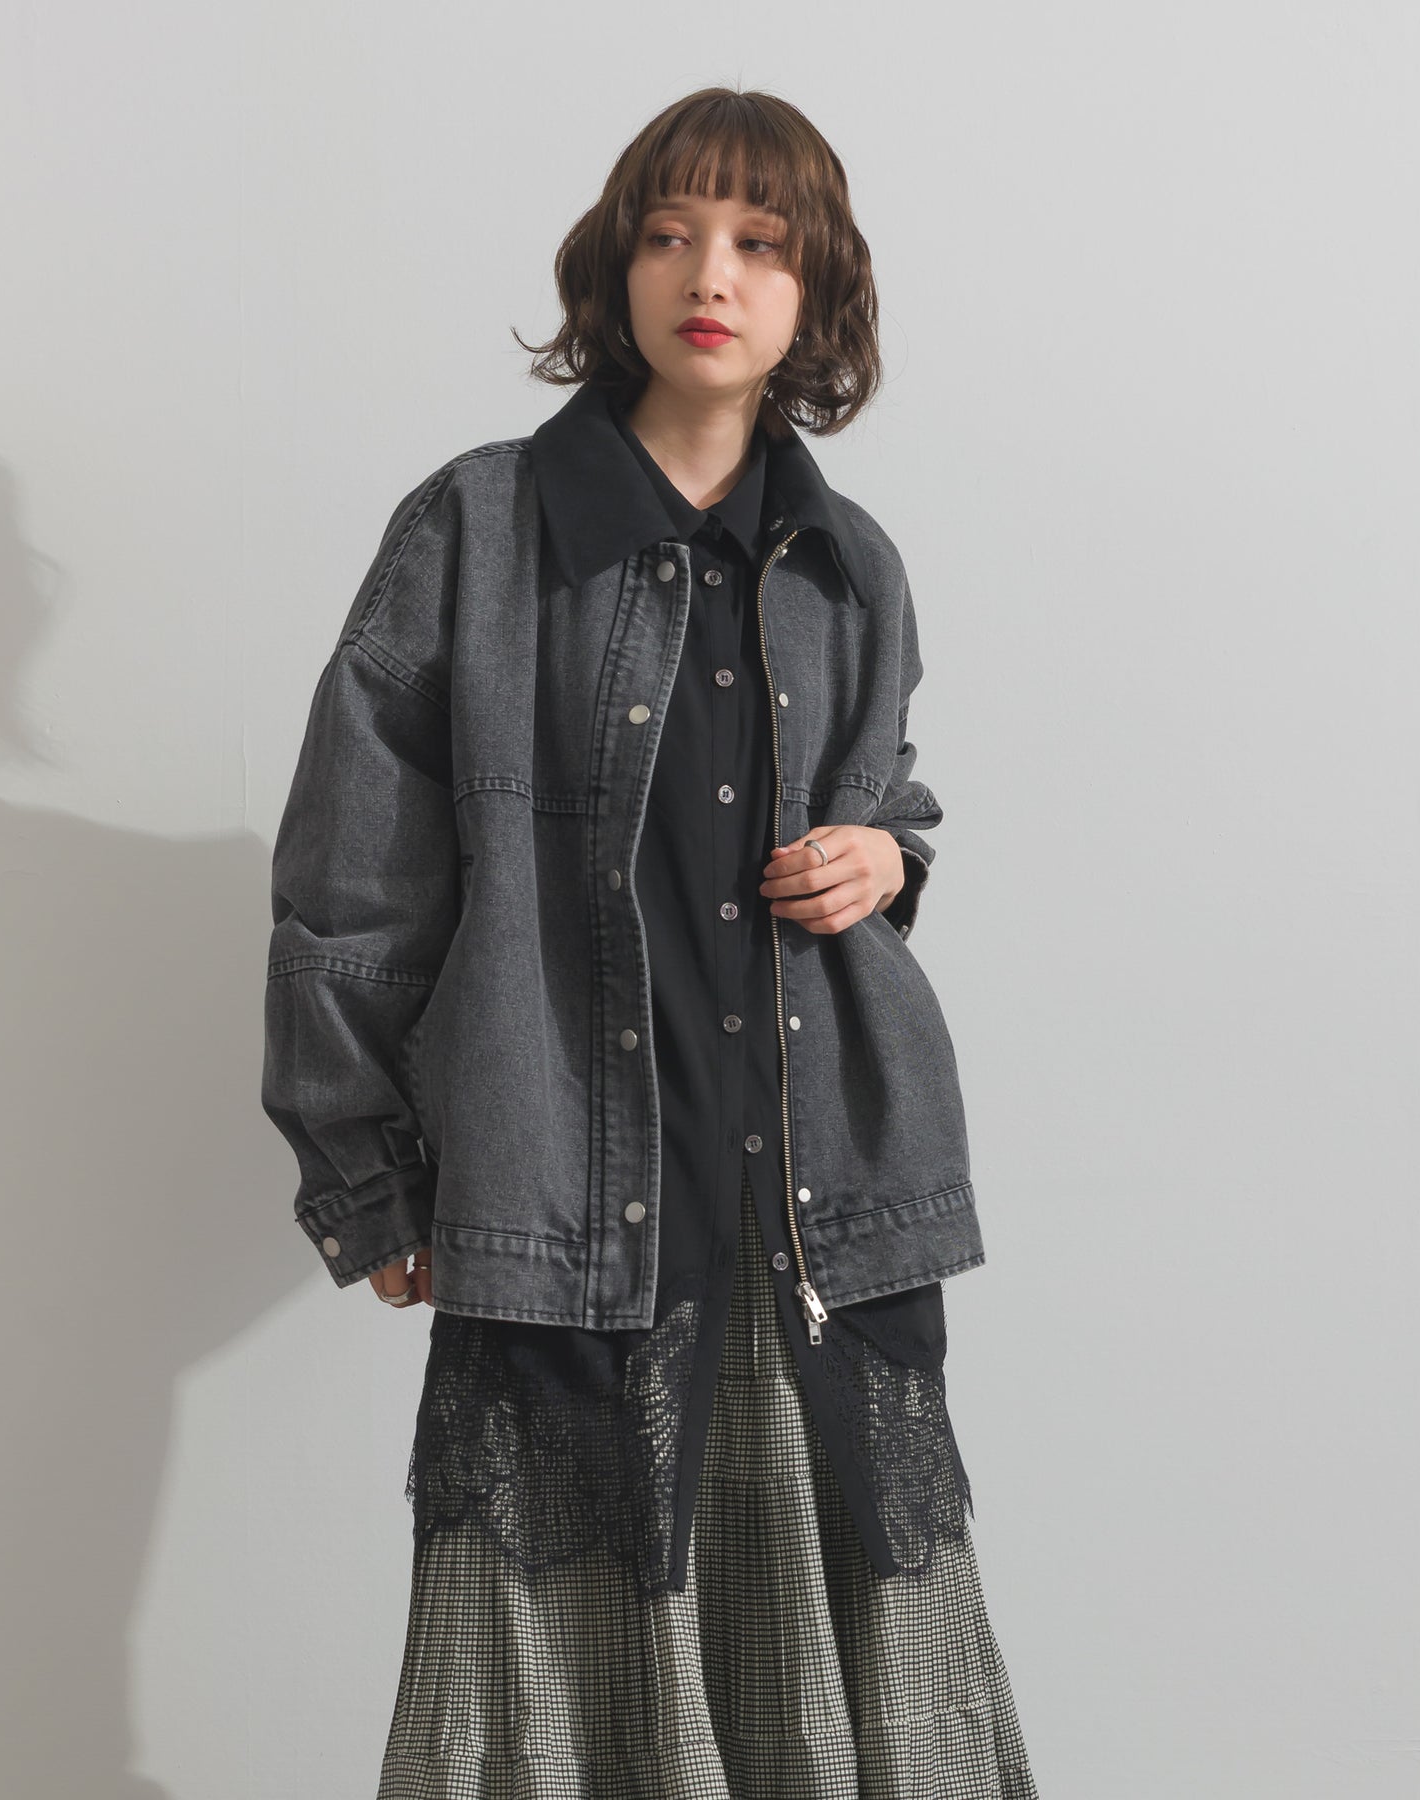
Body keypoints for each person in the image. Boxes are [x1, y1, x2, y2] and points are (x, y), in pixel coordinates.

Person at [262, 84, 1041, 1798]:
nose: (710, 274)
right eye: (672, 234)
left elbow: (882, 795)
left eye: (760, 243)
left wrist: (886, 855)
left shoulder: (851, 564)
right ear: (614, 266)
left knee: (855, 1656)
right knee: (546, 1660)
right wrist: (368, 1176)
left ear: (814, 290)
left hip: (821, 1211)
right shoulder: (477, 529)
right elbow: (350, 878)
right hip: (570, 1194)